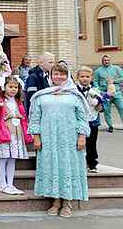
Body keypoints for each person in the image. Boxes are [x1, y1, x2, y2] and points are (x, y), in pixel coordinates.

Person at [29, 61, 91, 218]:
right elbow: (35, 119)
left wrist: (82, 136)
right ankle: (55, 201)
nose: (59, 77)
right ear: (50, 76)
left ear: (67, 75)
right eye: (56, 73)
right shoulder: (41, 96)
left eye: (62, 74)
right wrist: (36, 137)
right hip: (48, 139)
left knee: (68, 167)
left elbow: (82, 118)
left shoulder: (75, 95)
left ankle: (67, 203)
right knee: (52, 167)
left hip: (70, 139)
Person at [0, 75, 31, 195]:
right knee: (3, 159)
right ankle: (2, 184)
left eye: (16, 87)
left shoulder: (19, 103)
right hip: (4, 133)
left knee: (12, 159)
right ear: (4, 87)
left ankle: (10, 184)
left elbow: (23, 118)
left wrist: (25, 130)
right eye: (10, 87)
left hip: (16, 133)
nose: (13, 89)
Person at [76, 66, 102, 173]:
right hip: (79, 121)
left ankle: (92, 163)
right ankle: (79, 163)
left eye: (87, 77)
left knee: (92, 142)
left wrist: (100, 105)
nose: (85, 79)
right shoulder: (74, 90)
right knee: (79, 143)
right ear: (77, 77)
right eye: (82, 76)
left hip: (93, 120)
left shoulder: (95, 89)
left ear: (91, 78)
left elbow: (101, 105)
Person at [93, 55, 123, 132]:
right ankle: (110, 126)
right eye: (104, 60)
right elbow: (95, 81)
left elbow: (122, 77)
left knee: (122, 108)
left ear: (110, 60)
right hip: (105, 94)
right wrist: (99, 90)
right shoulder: (98, 71)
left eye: (107, 60)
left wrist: (114, 81)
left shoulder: (116, 69)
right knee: (107, 110)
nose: (106, 61)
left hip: (116, 92)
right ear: (102, 61)